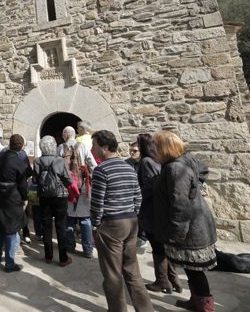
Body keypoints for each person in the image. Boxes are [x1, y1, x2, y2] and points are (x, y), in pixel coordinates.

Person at [151, 130, 217, 312]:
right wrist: (195, 187)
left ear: (164, 148)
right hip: (194, 225)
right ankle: (196, 302)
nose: (152, 150)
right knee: (191, 270)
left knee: (195, 272)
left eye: (155, 146)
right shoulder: (185, 159)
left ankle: (205, 307)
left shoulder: (175, 168)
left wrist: (176, 235)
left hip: (190, 231)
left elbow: (180, 205)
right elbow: (202, 170)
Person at [90, 130, 153, 312]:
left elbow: (97, 204)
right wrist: (132, 215)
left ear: (105, 147)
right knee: (132, 270)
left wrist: (95, 225)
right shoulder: (129, 167)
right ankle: (146, 309)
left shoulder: (101, 170)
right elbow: (137, 197)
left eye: (94, 145)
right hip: (131, 223)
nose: (92, 149)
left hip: (111, 226)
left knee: (112, 274)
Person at [137, 133, 181, 294]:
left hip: (152, 211)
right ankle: (173, 279)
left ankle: (163, 281)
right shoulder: (159, 161)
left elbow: (149, 188)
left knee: (158, 246)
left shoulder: (147, 162)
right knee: (163, 246)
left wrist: (137, 200)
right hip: (160, 210)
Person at [0, 133, 29, 272]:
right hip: (12, 199)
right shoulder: (18, 161)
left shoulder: (0, 157)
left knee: (0, 228)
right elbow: (23, 184)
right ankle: (10, 263)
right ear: (21, 146)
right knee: (11, 230)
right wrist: (25, 198)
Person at [34, 135, 73, 267]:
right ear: (53, 146)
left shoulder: (37, 161)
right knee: (61, 226)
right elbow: (68, 180)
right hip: (60, 196)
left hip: (44, 197)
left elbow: (35, 180)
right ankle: (63, 258)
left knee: (46, 226)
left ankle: (48, 256)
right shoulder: (59, 160)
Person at [65, 138, 97, 258]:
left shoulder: (61, 147)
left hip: (68, 187)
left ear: (64, 136)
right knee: (85, 220)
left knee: (69, 220)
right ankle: (88, 250)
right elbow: (93, 165)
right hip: (83, 185)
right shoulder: (83, 147)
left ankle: (70, 247)